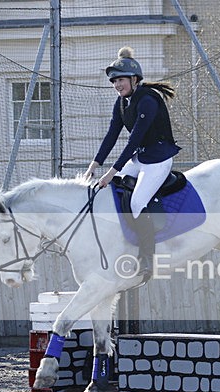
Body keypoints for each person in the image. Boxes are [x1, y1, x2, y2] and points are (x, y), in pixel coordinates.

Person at [83, 46, 181, 281]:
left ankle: (147, 259)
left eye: (121, 80)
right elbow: (111, 135)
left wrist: (111, 172)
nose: (117, 85)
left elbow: (134, 140)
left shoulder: (148, 100)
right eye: (114, 81)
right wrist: (94, 166)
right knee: (115, 190)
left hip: (158, 159)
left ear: (134, 79)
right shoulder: (121, 103)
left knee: (136, 202)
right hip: (142, 157)